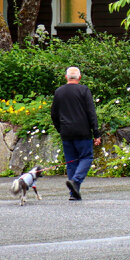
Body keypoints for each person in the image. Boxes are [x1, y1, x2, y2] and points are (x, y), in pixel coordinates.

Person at [50, 66, 101, 201]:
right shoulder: (83, 90)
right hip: (82, 131)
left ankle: (74, 193)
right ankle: (76, 181)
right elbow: (91, 113)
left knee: (71, 161)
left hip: (66, 132)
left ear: (66, 77)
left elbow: (53, 114)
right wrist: (96, 133)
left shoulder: (59, 92)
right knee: (87, 157)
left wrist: (60, 129)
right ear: (79, 78)